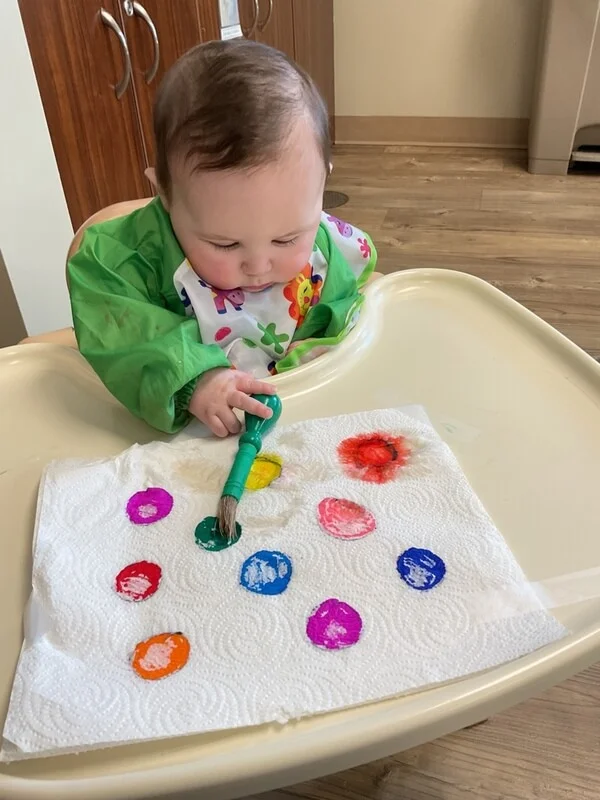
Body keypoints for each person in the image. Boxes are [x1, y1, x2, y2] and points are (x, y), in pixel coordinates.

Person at [68, 39, 378, 438]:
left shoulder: (324, 246)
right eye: (225, 244)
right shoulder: (125, 259)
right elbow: (111, 319)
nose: (259, 265)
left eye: (285, 240)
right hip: (183, 440)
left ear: (322, 184)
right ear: (165, 194)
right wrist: (193, 379)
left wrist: (321, 348)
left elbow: (351, 305)